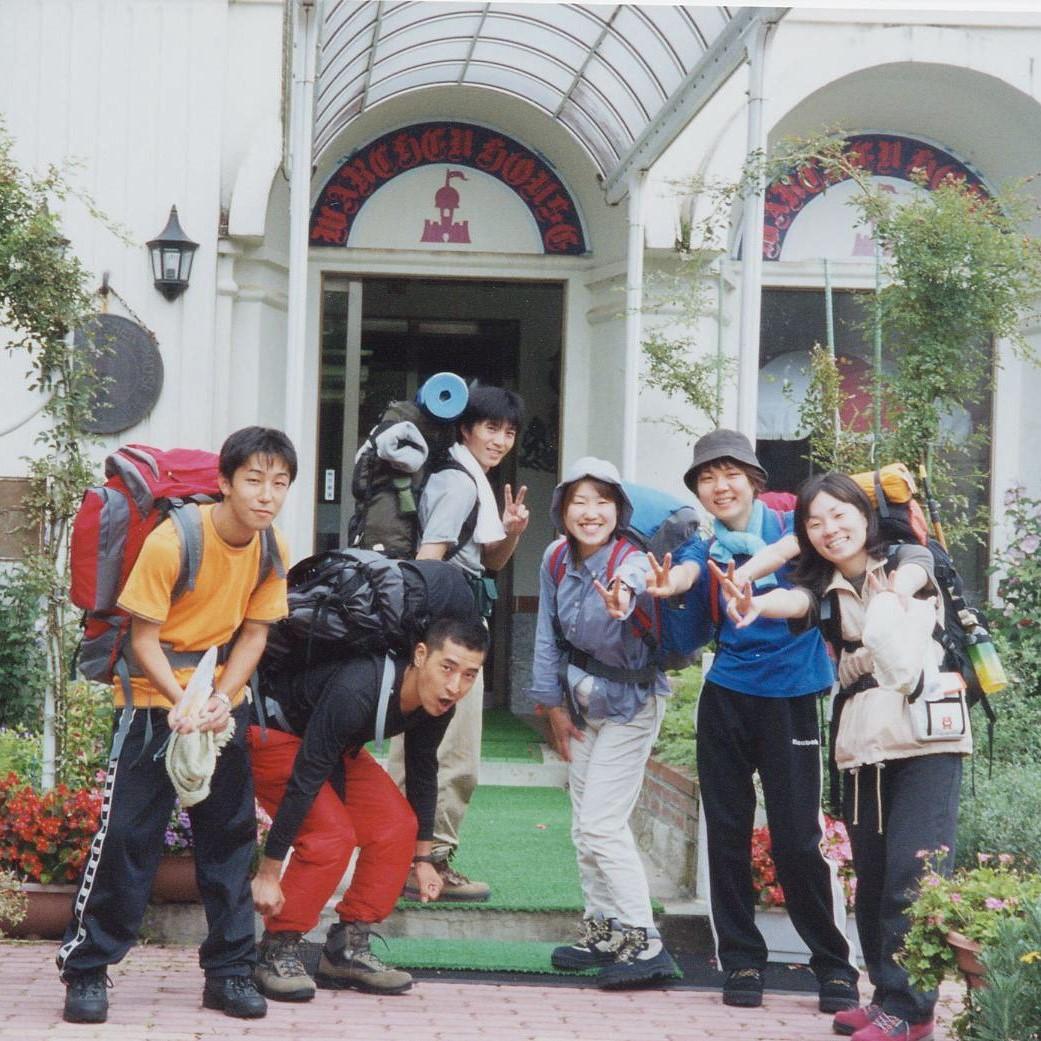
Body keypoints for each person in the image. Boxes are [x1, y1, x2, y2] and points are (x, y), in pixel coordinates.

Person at [718, 471, 970, 1041]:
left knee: (916, 874)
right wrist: (753, 602)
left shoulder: (906, 557)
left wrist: (894, 595)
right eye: (815, 522)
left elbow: (913, 574)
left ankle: (912, 1010)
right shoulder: (826, 588)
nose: (830, 529)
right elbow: (794, 600)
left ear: (863, 515)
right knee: (877, 876)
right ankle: (886, 994)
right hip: (862, 748)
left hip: (926, 740)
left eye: (840, 515)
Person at [57, 427, 296, 1024]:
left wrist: (222, 698)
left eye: (280, 482)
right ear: (224, 482)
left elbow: (256, 633)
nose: (266, 495)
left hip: (217, 702)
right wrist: (181, 703)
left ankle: (230, 972)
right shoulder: (174, 540)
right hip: (148, 700)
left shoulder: (271, 548)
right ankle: (87, 970)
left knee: (230, 837)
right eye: (254, 480)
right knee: (128, 841)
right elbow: (141, 639)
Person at [645, 429, 858, 1012]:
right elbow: (687, 571)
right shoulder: (705, 539)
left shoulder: (794, 527)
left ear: (754, 479)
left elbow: (806, 594)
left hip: (791, 696)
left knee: (797, 838)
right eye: (707, 477)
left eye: (730, 473)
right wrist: (667, 585)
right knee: (727, 834)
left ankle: (834, 966)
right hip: (727, 695)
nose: (720, 486)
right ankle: (740, 961)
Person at [249, 614, 490, 1002]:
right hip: (271, 733)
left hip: (329, 744)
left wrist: (423, 859)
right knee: (332, 836)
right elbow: (306, 778)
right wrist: (269, 869)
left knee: (396, 827)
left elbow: (423, 767)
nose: (454, 686)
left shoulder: (438, 702)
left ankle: (346, 950)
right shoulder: (358, 689)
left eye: (469, 675)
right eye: (447, 668)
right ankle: (277, 948)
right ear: (421, 654)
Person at [528, 458, 679, 989]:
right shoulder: (554, 559)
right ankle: (604, 930)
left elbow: (633, 583)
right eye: (579, 502)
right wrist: (551, 705)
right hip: (582, 703)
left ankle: (647, 940)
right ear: (563, 509)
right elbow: (547, 636)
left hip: (632, 705)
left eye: (603, 502)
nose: (591, 513)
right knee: (582, 824)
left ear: (619, 509)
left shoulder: (631, 559)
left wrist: (623, 596)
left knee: (601, 824)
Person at [387, 383, 529, 902]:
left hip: (447, 635)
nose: (501, 440)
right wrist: (433, 647)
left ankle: (403, 857)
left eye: (509, 432)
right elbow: (429, 558)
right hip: (446, 637)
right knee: (452, 756)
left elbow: (484, 562)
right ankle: (428, 861)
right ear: (466, 427)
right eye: (491, 428)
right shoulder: (460, 484)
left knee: (422, 752)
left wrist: (511, 532)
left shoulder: (471, 480)